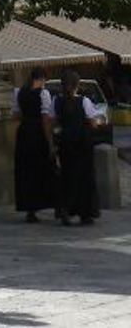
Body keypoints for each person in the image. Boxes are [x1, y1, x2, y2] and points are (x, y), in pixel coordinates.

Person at [53, 68, 101, 225]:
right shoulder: (84, 102)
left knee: (67, 178)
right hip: (82, 144)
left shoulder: (57, 101)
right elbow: (93, 123)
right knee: (84, 179)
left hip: (66, 144)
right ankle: (85, 213)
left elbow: (55, 122)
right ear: (77, 85)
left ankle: (65, 210)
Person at [12, 67, 56, 223]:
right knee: (41, 169)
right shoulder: (43, 94)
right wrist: (50, 142)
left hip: (24, 133)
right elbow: (46, 119)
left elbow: (16, 115)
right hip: (37, 134)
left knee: (26, 171)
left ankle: (29, 208)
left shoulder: (19, 93)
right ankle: (48, 202)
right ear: (42, 79)